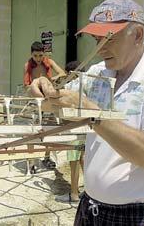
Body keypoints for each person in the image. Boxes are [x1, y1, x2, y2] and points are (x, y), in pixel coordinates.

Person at [29, 0, 144, 225]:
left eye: (109, 39)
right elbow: (54, 101)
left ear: (138, 35)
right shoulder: (99, 73)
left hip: (140, 215)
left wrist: (92, 112)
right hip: (92, 207)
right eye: (96, 39)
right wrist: (42, 88)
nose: (100, 49)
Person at [24, 41, 66, 173]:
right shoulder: (28, 65)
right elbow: (26, 85)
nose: (38, 58)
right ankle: (31, 161)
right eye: (35, 55)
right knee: (32, 130)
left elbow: (63, 74)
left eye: (40, 55)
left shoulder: (49, 62)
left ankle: (46, 157)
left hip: (49, 100)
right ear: (31, 54)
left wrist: (51, 79)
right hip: (36, 101)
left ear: (44, 54)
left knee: (50, 129)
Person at [55, 61, 85, 203]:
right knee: (84, 159)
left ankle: (74, 193)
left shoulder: (71, 86)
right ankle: (89, 191)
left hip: (73, 126)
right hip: (86, 127)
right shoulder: (86, 83)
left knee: (74, 161)